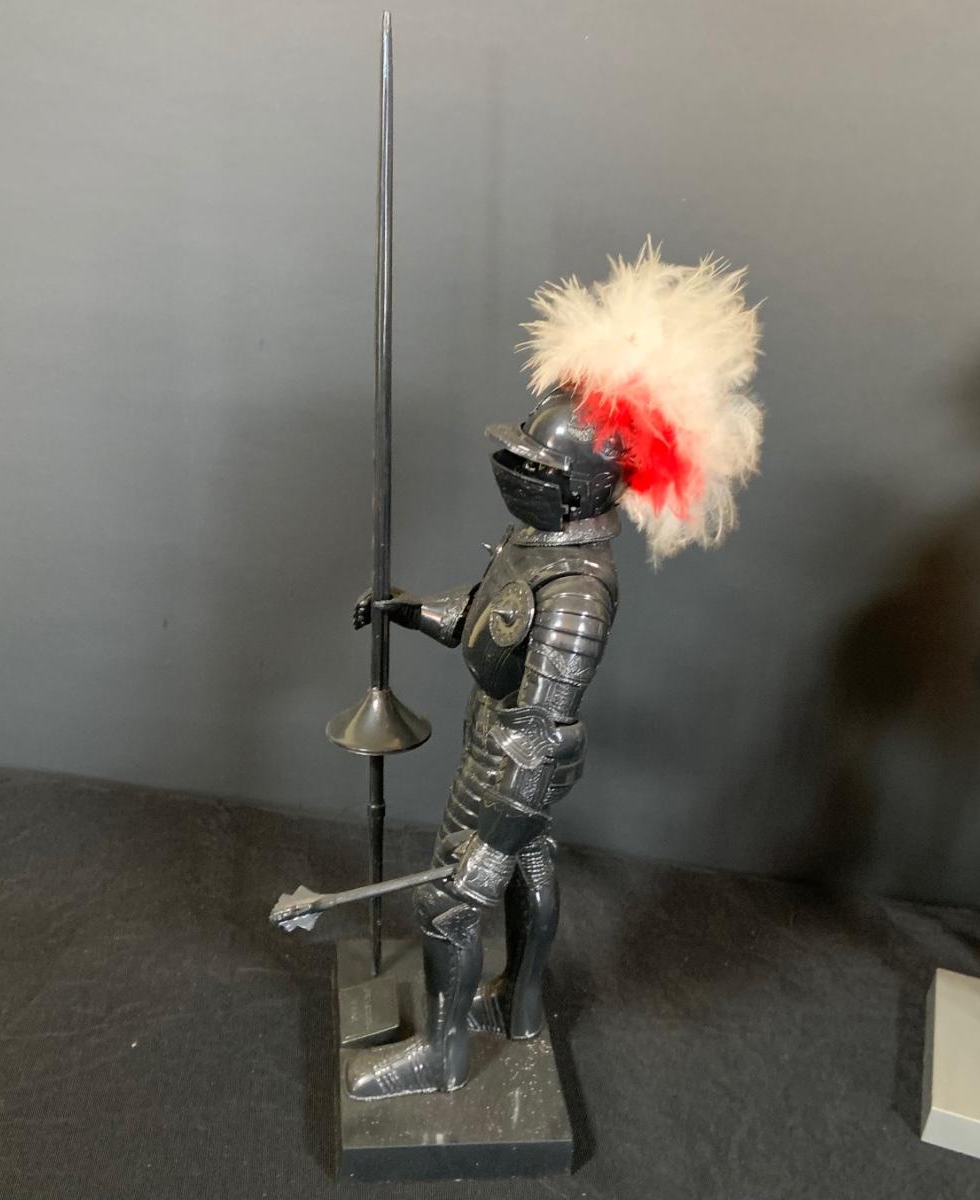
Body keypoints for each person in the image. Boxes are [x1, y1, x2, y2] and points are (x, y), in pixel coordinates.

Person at [346, 243, 763, 1099]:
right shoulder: (541, 546)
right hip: (500, 737)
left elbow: (541, 730)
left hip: (511, 759)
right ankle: (522, 1004)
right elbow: (486, 615)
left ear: (580, 489)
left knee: (451, 901)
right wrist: (404, 608)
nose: (520, 469)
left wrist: (487, 839)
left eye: (540, 466)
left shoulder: (576, 591)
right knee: (533, 866)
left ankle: (443, 1056)